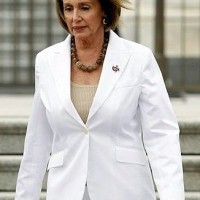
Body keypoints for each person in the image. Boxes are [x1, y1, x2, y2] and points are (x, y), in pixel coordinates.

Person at [15, 0, 185, 199]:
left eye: (84, 8)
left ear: (104, 10)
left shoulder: (138, 58)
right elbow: (37, 140)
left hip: (125, 190)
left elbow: (161, 136)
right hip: (66, 190)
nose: (75, 17)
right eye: (68, 8)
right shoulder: (46, 61)